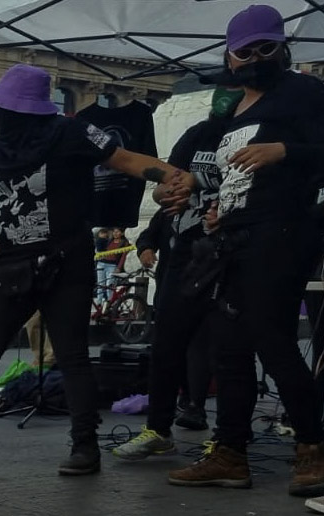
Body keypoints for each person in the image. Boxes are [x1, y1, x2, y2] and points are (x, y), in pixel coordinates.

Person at [0, 64, 192, 474]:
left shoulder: (71, 132)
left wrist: (177, 176)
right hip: (13, 264)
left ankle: (84, 446)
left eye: (3, 108)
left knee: (70, 355)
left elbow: (126, 159)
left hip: (64, 261)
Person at [165, 5, 324, 501]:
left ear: (283, 48)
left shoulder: (301, 91)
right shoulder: (234, 107)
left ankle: (312, 447)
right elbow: (238, 173)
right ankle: (230, 452)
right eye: (247, 50)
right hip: (236, 233)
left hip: (283, 230)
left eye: (268, 47)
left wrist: (283, 150)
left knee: (272, 337)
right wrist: (210, 200)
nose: (258, 57)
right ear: (230, 55)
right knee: (230, 345)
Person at [112, 89, 241, 462]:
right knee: (167, 344)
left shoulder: (256, 132)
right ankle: (158, 429)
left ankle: (228, 437)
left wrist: (203, 189)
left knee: (225, 348)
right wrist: (170, 193)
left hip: (229, 254)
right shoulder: (197, 135)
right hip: (183, 254)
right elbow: (160, 189)